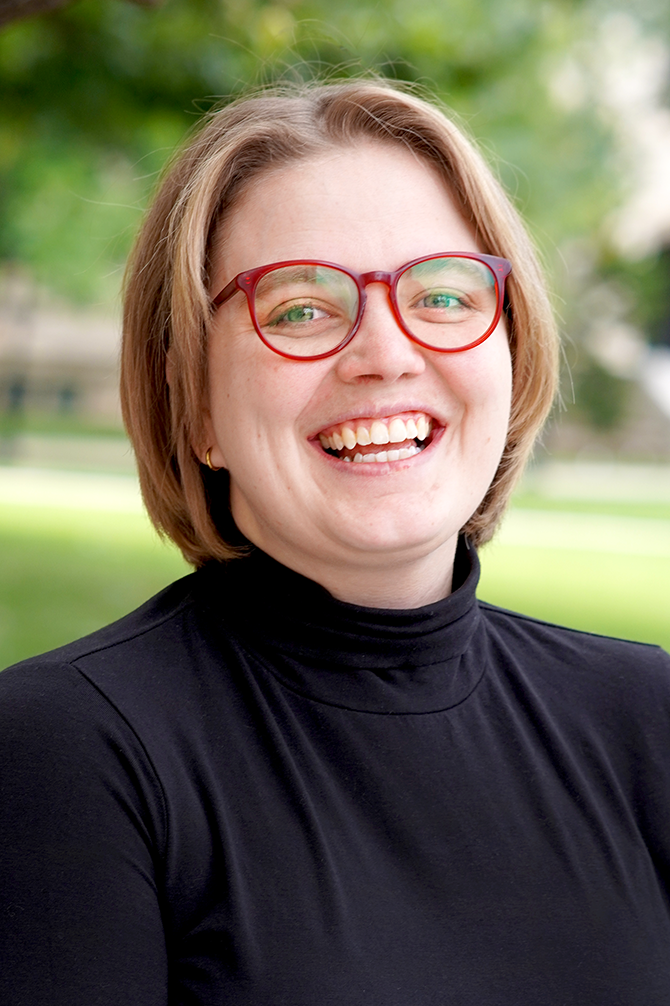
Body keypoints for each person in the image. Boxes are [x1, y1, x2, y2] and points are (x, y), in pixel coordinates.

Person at [1, 78, 669, 1005]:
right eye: (301, 310)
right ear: (195, 402)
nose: (388, 353)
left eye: (441, 292)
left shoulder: (646, 717)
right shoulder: (63, 750)